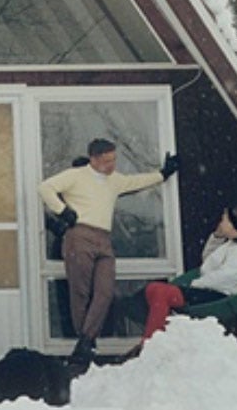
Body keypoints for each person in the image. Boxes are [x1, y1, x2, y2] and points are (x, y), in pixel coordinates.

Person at [39, 137, 179, 366]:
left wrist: (164, 174)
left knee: (105, 291)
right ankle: (86, 345)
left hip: (104, 239)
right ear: (93, 159)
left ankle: (85, 341)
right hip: (79, 235)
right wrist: (63, 211)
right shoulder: (76, 175)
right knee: (81, 292)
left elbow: (137, 181)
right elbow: (45, 188)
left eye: (114, 160)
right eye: (106, 161)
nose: (111, 165)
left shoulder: (114, 181)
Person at [140, 204, 237, 340]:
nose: (220, 223)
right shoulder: (231, 244)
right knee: (152, 289)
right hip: (205, 290)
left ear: (232, 225)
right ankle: (162, 335)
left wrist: (194, 284)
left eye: (223, 220)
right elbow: (207, 263)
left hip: (218, 297)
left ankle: (151, 341)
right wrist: (217, 238)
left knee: (161, 292)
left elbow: (220, 280)